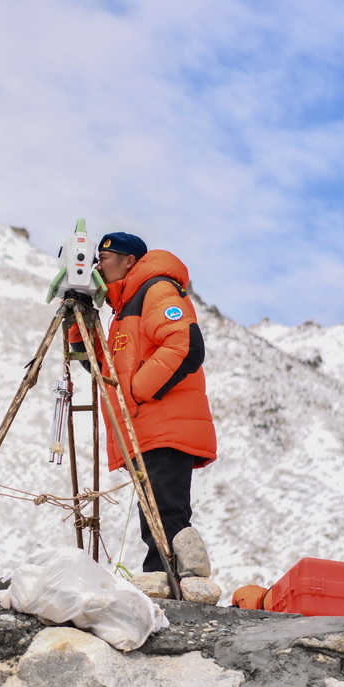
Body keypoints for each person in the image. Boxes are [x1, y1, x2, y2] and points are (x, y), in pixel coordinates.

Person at [69, 232, 217, 574]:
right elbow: (102, 367)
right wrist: (78, 320)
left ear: (129, 261)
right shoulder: (124, 311)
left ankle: (168, 583)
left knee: (164, 512)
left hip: (164, 425)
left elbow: (185, 344)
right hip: (148, 427)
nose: (97, 266)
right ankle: (164, 579)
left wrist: (136, 391)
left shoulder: (155, 289)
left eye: (104, 258)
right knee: (155, 511)